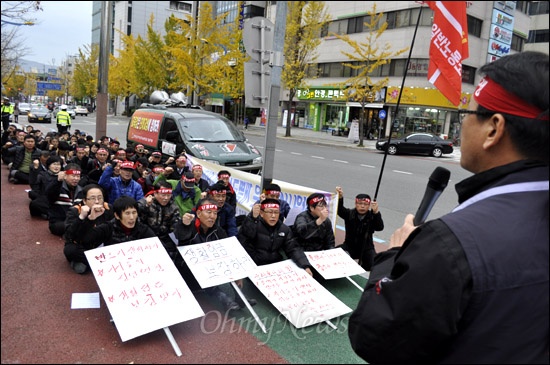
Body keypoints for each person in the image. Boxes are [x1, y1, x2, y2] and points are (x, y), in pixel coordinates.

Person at [348, 51, 549, 364]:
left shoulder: (451, 243)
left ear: (494, 129)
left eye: (468, 113)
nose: (462, 124)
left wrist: (393, 256)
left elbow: (373, 338)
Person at [173, 198, 248, 312]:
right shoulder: (189, 226)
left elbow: (229, 251)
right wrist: (184, 225)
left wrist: (238, 273)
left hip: (210, 270)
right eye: (209, 212)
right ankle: (223, 297)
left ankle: (239, 296)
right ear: (198, 213)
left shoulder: (218, 231)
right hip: (188, 273)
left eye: (215, 213)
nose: (212, 216)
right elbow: (181, 236)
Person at [238, 198, 313, 275]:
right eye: (270, 212)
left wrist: (305, 266)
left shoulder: (284, 229)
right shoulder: (253, 224)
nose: (273, 216)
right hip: (255, 267)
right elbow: (244, 240)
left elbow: (293, 248)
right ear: (261, 213)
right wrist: (252, 218)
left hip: (275, 267)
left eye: (276, 212)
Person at [63, 184, 114, 274]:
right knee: (70, 250)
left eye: (100, 198)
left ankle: (90, 262)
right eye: (93, 198)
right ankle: (101, 263)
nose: (97, 201)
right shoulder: (75, 211)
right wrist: (83, 218)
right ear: (85, 201)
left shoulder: (108, 208)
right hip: (83, 245)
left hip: (100, 245)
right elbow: (69, 235)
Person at [73, 195, 156, 248]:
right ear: (117, 215)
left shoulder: (143, 229)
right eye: (127, 213)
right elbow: (84, 239)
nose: (132, 217)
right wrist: (90, 219)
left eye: (134, 213)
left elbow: (158, 246)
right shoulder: (108, 228)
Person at [335, 186, 384, 271]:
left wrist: (376, 213)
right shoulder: (349, 214)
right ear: (356, 204)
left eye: (365, 204)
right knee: (333, 255)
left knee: (374, 265)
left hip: (366, 248)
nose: (362, 206)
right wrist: (340, 197)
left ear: (369, 206)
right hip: (349, 246)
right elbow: (339, 210)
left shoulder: (372, 216)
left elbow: (380, 227)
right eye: (360, 204)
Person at [137, 180, 181, 261]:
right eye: (163, 195)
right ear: (155, 193)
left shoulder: (174, 207)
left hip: (164, 238)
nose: (166, 198)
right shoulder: (146, 203)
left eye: (169, 195)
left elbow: (175, 228)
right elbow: (136, 218)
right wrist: (145, 206)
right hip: (145, 238)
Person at [45, 163, 84, 236]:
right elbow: (49, 194)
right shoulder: (57, 187)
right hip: (58, 222)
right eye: (73, 176)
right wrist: (58, 181)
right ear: (65, 176)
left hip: (75, 221)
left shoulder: (81, 190)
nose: (76, 179)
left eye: (78, 176)